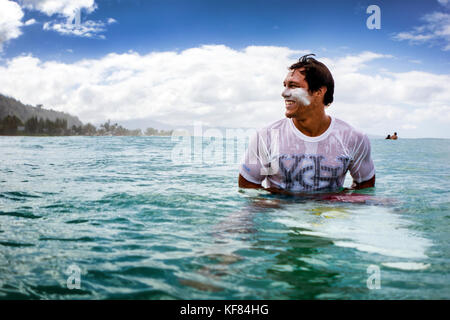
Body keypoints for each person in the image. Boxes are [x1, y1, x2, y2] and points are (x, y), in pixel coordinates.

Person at [238, 54, 375, 192]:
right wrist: (277, 202)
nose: (284, 93)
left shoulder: (353, 138)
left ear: (318, 92)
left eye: (293, 86)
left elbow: (365, 188)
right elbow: (248, 186)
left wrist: (339, 200)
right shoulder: (266, 136)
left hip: (328, 212)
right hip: (282, 213)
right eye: (285, 85)